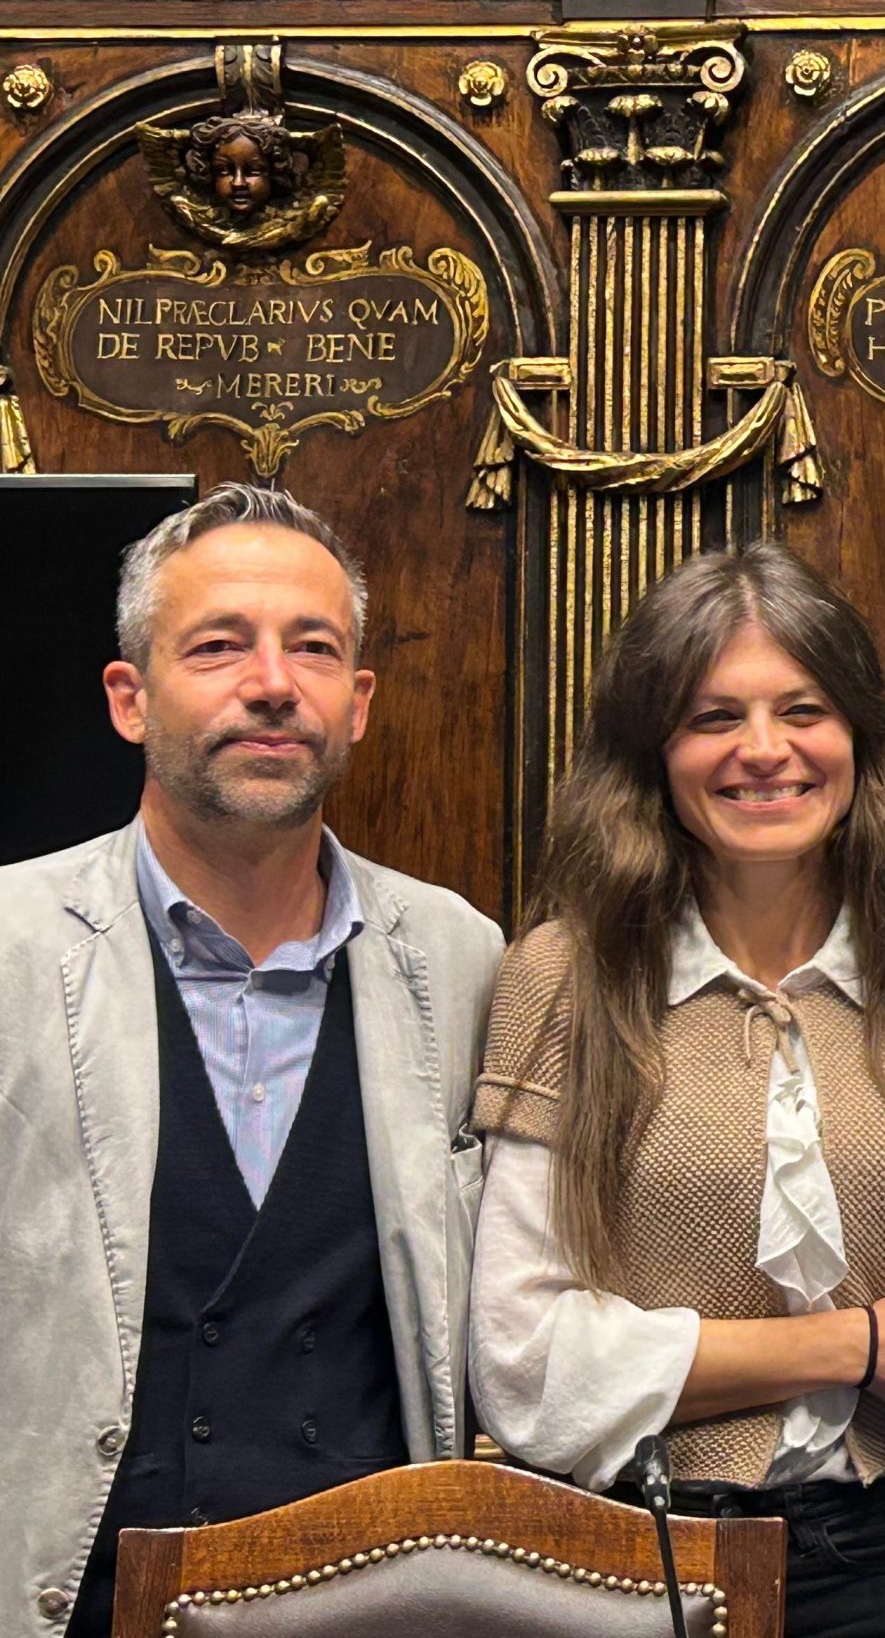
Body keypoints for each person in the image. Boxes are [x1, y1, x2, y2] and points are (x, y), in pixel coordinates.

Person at [470, 542, 885, 1638]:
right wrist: (858, 1346)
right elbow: (524, 1360)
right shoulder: (565, 976)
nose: (765, 751)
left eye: (803, 709)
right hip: (617, 1556)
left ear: (861, 739)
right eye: (712, 717)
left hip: (873, 1556)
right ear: (653, 753)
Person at [0, 483, 503, 1638]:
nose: (273, 683)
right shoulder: (12, 947)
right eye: (219, 645)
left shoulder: (462, 956)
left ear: (359, 702)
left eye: (314, 649)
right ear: (130, 699)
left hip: (376, 1606)